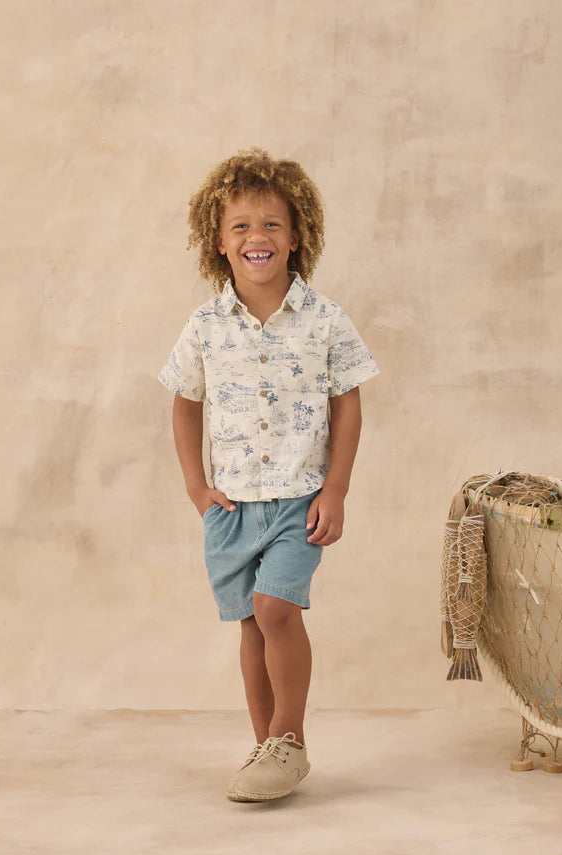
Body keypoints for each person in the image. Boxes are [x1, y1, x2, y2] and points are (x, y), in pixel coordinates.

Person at [158, 148, 379, 802]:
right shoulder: (204, 327)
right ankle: (267, 753)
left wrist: (335, 488)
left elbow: (349, 402)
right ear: (218, 242)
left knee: (276, 608)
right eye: (242, 227)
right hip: (231, 507)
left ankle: (290, 739)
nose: (259, 237)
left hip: (296, 499)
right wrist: (197, 489)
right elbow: (183, 403)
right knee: (253, 627)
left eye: (274, 224)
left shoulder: (325, 320)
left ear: (298, 233)